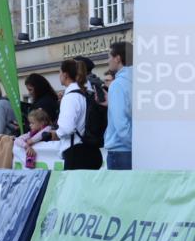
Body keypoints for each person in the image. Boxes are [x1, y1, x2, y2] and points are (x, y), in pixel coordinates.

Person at [39, 59, 102, 169]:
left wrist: (55, 133)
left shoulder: (70, 97)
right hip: (91, 151)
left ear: (65, 75)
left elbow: (67, 128)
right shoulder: (83, 94)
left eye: (59, 72)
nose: (59, 75)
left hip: (77, 154)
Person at [104, 41, 132, 169]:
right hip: (136, 149)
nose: (107, 60)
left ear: (118, 58)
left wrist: (133, 144)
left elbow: (121, 123)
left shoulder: (117, 85)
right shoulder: (142, 82)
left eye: (109, 56)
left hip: (121, 150)